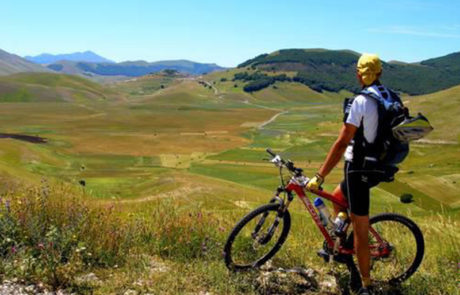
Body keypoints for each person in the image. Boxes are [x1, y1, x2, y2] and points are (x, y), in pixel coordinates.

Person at [306, 53, 390, 295]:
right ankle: (342, 246)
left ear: (358, 74)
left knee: (362, 231)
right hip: (374, 166)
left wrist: (319, 176)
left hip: (359, 169)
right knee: (337, 198)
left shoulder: (361, 102)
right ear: (380, 73)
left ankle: (365, 284)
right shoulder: (387, 96)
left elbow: (342, 142)